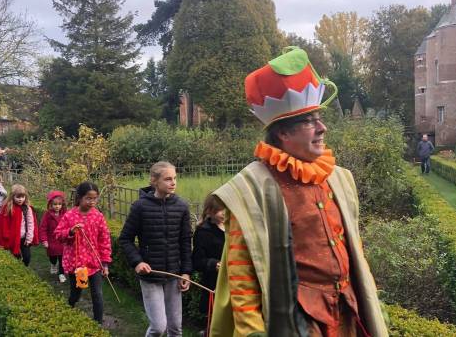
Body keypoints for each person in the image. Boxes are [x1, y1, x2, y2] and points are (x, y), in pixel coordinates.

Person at [209, 47, 388, 337]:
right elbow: (242, 273)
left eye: (319, 118)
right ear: (282, 133)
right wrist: (251, 331)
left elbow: (354, 251)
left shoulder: (339, 178)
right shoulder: (253, 188)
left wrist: (372, 300)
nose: (322, 127)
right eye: (309, 121)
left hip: (346, 315)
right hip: (297, 323)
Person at [118, 161, 193, 337]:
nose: (173, 182)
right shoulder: (140, 207)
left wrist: (186, 272)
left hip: (174, 275)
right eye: (168, 179)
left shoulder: (182, 207)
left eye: (175, 178)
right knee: (159, 327)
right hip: (150, 275)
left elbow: (185, 241)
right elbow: (125, 239)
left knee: (175, 328)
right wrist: (137, 262)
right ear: (154, 181)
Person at [54, 182, 112, 324]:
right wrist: (70, 232)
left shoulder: (98, 216)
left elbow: (105, 240)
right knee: (76, 292)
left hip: (94, 263)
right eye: (88, 198)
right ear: (79, 198)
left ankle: (98, 323)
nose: (92, 202)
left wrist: (105, 263)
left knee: (97, 294)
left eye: (95, 198)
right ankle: (69, 308)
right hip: (77, 264)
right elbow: (58, 234)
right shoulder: (69, 216)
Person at [192, 194, 226, 335]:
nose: (224, 213)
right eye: (220, 210)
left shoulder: (235, 227)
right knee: (216, 322)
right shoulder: (203, 232)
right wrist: (213, 264)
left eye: (226, 208)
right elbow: (197, 261)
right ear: (209, 211)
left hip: (235, 281)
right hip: (214, 284)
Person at [0, 184, 39, 266]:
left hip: (24, 237)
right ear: (12, 196)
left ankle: (24, 267)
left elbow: (31, 223)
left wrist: (29, 238)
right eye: (18, 197)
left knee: (27, 257)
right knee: (15, 256)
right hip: (13, 237)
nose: (20, 199)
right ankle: (18, 269)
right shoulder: (8, 208)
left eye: (23, 197)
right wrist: (6, 236)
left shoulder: (27, 208)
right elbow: (3, 224)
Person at [40, 190, 68, 283]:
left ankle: (61, 274)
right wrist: (44, 240)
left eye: (59, 204)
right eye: (55, 204)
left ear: (62, 204)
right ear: (50, 205)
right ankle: (53, 264)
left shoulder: (65, 214)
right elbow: (43, 228)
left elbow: (69, 226)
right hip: (51, 240)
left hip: (62, 241)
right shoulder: (47, 215)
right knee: (53, 257)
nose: (57, 206)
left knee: (62, 259)